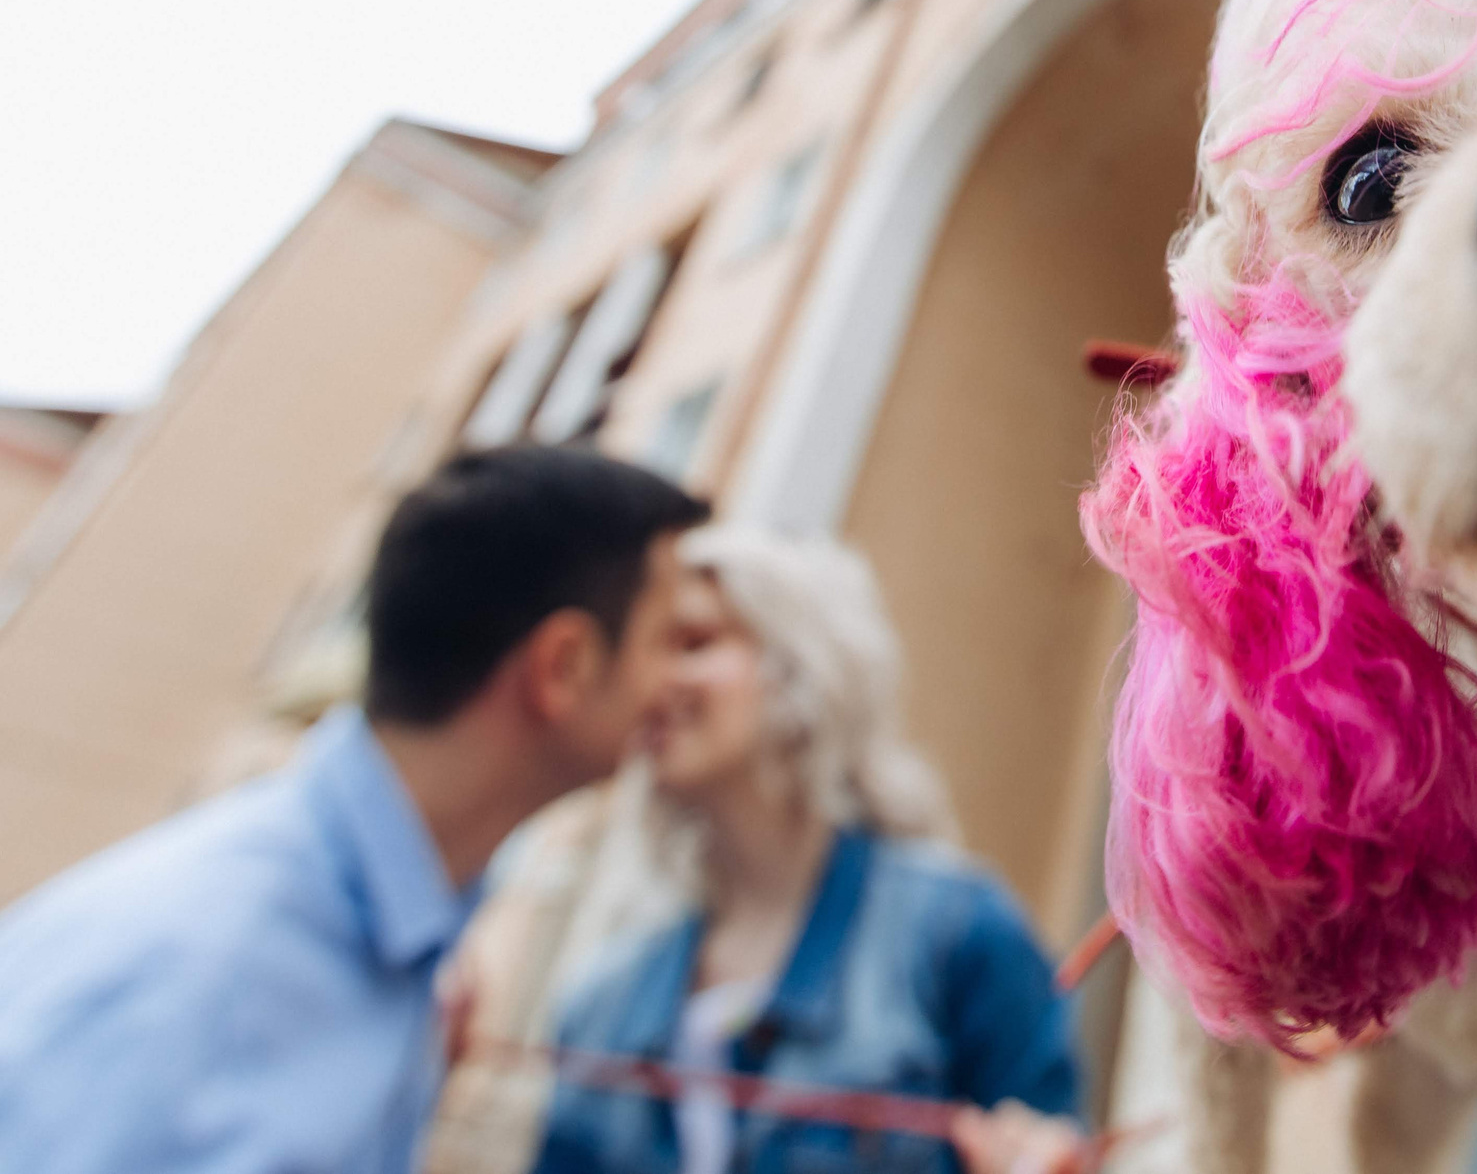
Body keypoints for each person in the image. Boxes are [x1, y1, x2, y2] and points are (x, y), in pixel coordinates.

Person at [0, 445, 710, 1173]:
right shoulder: (186, 969)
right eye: (671, 641)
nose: (681, 685)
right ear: (564, 665)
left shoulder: (391, 952)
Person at [532, 527, 1085, 1174]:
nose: (653, 682)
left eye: (695, 642)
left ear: (800, 660)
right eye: (650, 650)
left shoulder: (961, 937)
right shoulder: (598, 1005)